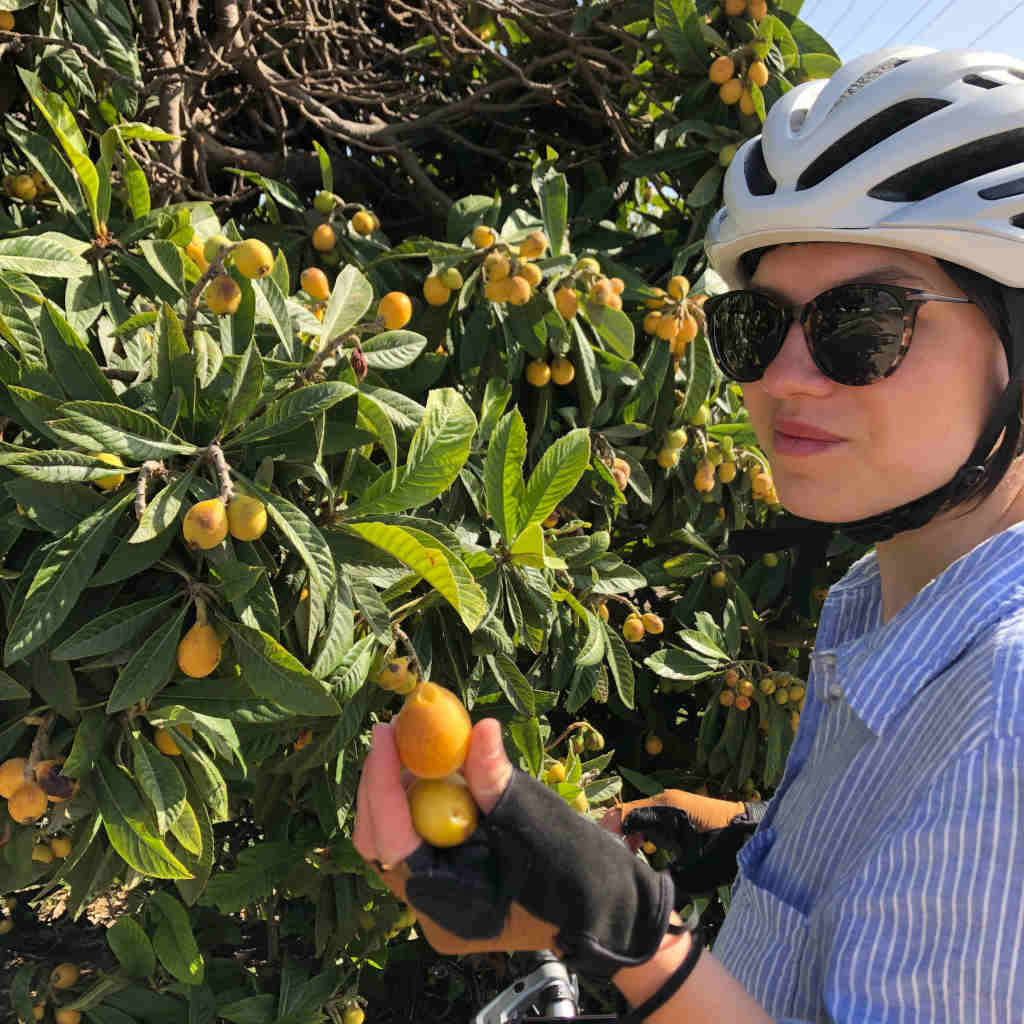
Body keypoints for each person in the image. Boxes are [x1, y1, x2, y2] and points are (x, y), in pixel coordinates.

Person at [354, 45, 1024, 1022]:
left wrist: (634, 938)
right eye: (755, 325)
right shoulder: (880, 602)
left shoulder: (1006, 709)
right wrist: (736, 840)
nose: (784, 379)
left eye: (863, 323)